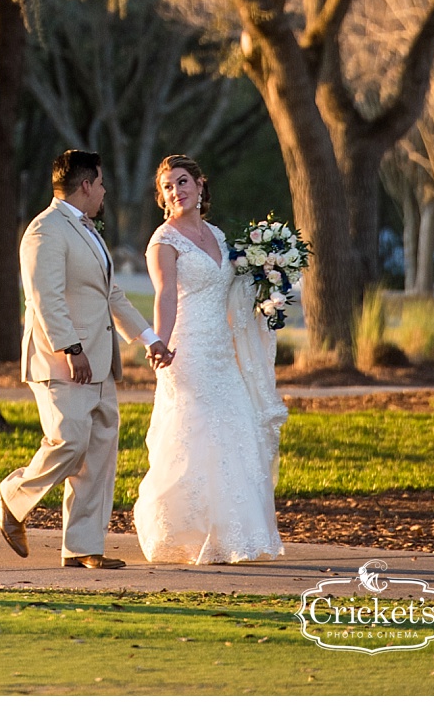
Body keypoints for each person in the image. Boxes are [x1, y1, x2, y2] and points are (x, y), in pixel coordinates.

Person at [0, 149, 171, 569]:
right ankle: (12, 498)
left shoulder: (88, 231)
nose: (105, 191)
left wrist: (148, 338)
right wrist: (70, 349)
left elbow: (110, 295)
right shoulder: (45, 231)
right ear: (86, 184)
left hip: (100, 361)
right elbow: (45, 296)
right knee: (68, 443)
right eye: (102, 183)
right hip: (63, 362)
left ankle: (83, 547)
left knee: (97, 455)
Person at [133, 153, 286, 565]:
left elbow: (236, 289)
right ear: (162, 197)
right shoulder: (162, 242)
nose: (176, 191)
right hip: (188, 352)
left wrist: (271, 283)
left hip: (224, 353)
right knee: (194, 439)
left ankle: (237, 536)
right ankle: (184, 534)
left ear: (200, 185)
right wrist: (158, 342)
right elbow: (165, 295)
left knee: (236, 432)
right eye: (168, 186)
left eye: (182, 182)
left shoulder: (219, 237)